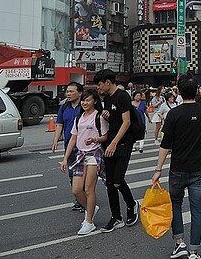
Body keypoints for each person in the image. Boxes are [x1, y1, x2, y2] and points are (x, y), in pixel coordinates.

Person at [153, 73, 201, 259]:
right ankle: (194, 251)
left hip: (177, 169)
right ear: (197, 90)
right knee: (197, 209)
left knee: (176, 204)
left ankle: (179, 243)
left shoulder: (174, 113)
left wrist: (158, 169)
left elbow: (165, 144)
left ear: (179, 92)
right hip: (199, 169)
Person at [94, 69, 139, 233]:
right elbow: (115, 119)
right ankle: (116, 217)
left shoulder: (122, 96)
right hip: (110, 143)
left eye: (99, 84)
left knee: (118, 180)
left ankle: (132, 205)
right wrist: (107, 115)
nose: (98, 88)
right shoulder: (107, 99)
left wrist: (114, 143)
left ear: (108, 82)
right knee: (110, 183)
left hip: (123, 143)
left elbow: (126, 122)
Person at [61, 89, 108, 235]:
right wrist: (65, 158)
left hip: (94, 154)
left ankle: (89, 222)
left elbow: (105, 137)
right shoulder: (79, 117)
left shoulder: (99, 117)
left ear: (94, 101)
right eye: (84, 100)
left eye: (88, 100)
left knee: (89, 189)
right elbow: (73, 138)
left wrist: (95, 139)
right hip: (80, 155)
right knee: (76, 190)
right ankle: (91, 208)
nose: (85, 103)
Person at [52, 82, 84, 211]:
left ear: (80, 93)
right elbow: (59, 124)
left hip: (84, 146)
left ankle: (85, 200)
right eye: (67, 91)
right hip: (69, 145)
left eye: (71, 91)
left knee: (83, 174)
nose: (68, 94)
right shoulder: (64, 107)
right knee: (72, 173)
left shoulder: (85, 106)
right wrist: (55, 140)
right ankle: (79, 200)